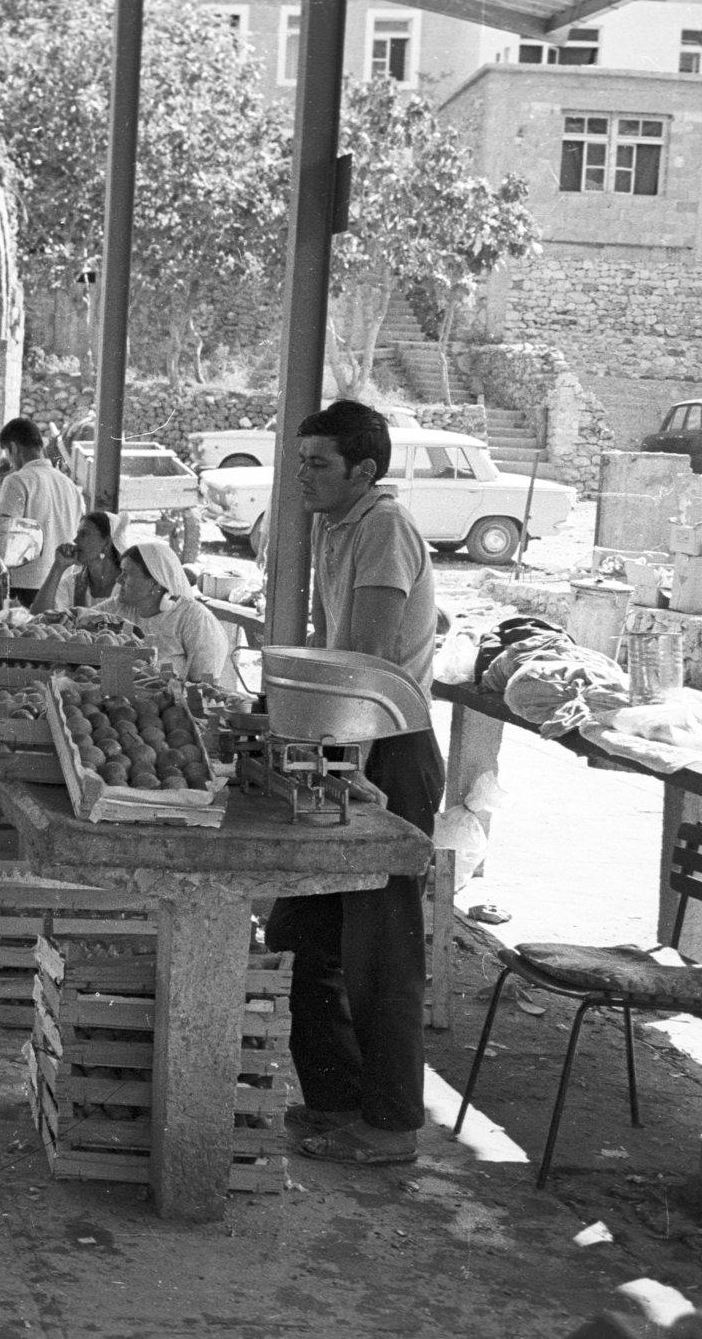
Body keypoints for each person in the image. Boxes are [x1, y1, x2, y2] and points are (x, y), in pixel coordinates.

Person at [264, 398, 444, 1168]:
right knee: (300, 935)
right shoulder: (335, 527)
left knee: (381, 949)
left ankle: (394, 1122)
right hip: (347, 747)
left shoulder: (382, 527)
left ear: (364, 470)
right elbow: (327, 650)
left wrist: (337, 759)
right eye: (299, 460)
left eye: (319, 463)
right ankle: (339, 1099)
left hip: (388, 752)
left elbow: (366, 664)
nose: (301, 475)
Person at [96, 539, 228, 684]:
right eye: (121, 572)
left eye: (128, 574)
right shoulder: (118, 607)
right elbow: (76, 619)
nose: (119, 579)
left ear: (157, 582)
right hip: (115, 700)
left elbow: (207, 684)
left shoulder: (194, 619)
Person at [0, 417, 85, 607]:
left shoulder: (16, 480)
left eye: (7, 454)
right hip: (63, 584)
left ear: (13, 448)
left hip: (25, 586)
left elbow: (2, 533)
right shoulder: (70, 486)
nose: (9, 461)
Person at [30, 510, 130, 613]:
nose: (75, 540)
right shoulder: (73, 584)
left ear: (106, 543)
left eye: (84, 534)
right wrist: (58, 567)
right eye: (78, 534)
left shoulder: (128, 586)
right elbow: (39, 616)